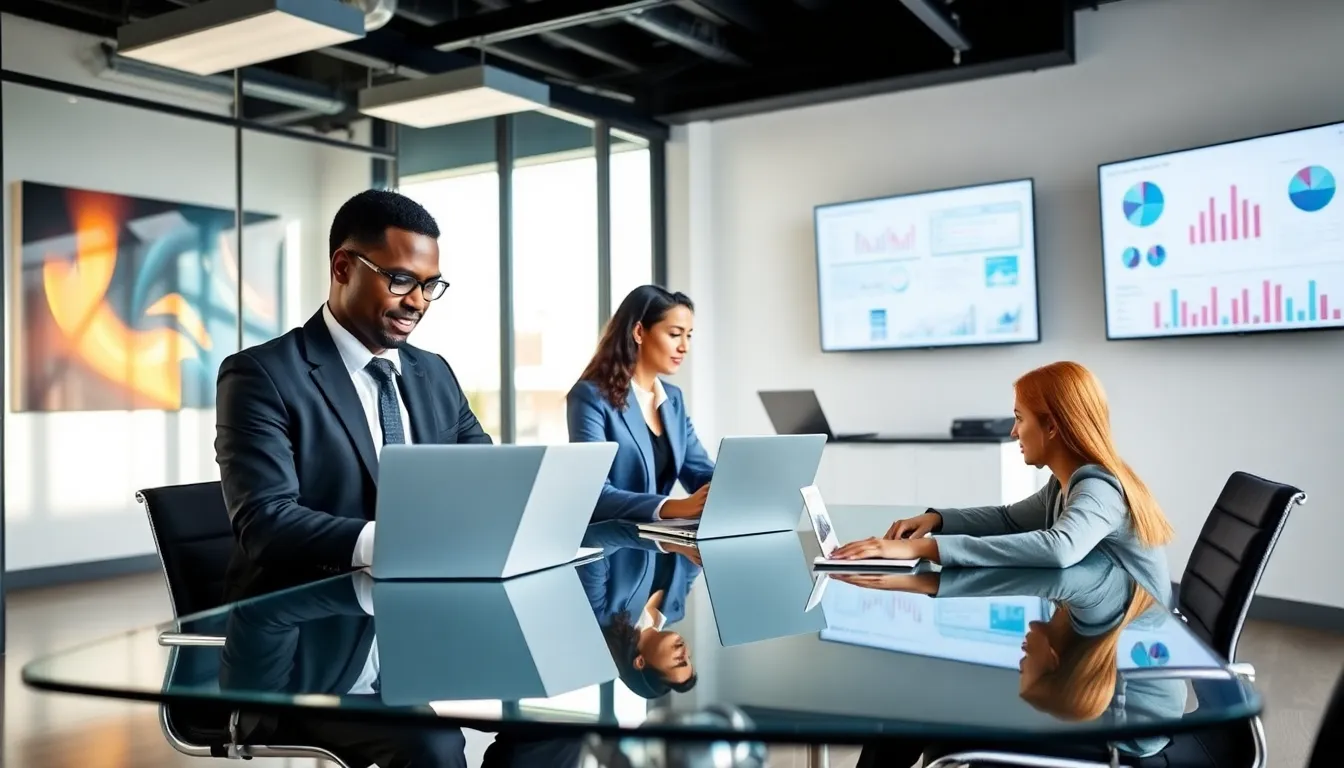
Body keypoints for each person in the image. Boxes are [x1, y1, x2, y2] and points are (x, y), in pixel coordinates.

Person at [214, 188, 491, 602]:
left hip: (422, 601)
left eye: (429, 285)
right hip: (304, 615)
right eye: (401, 280)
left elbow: (485, 480)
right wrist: (397, 545)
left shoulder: (434, 372)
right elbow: (266, 523)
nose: (417, 302)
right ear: (343, 267)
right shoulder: (260, 375)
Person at [830, 361, 1174, 604]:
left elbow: (1058, 549)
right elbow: (1009, 519)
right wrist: (937, 520)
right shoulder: (1063, 485)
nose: (1013, 432)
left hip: (1143, 655)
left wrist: (921, 548)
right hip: (1111, 635)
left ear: (1051, 427)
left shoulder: (1099, 488)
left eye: (1019, 419)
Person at [567, 285, 714, 522]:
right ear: (639, 332)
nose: (684, 347)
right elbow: (594, 492)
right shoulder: (590, 397)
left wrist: (733, 486)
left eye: (688, 335)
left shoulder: (673, 399)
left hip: (658, 540)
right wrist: (675, 507)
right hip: (610, 540)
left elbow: (699, 470)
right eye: (674, 334)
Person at [579, 522, 700, 696]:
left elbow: (593, 541)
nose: (686, 652)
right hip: (672, 511)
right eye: (689, 658)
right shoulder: (675, 610)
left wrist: (663, 542)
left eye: (680, 662)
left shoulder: (604, 614)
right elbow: (695, 558)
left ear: (640, 662)